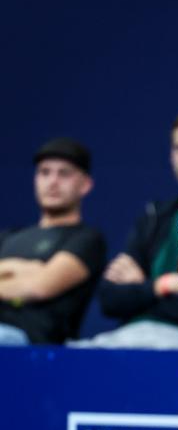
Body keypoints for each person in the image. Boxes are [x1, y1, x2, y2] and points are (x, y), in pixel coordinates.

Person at [69, 106, 178, 349]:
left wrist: (142, 287)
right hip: (135, 333)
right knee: (74, 354)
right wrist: (163, 285)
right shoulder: (154, 215)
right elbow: (110, 298)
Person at [0, 138, 106, 345]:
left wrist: (11, 271)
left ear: (85, 185)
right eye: (44, 172)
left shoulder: (87, 239)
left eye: (64, 173)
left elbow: (40, 287)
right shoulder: (8, 236)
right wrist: (31, 269)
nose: (52, 181)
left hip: (32, 342)